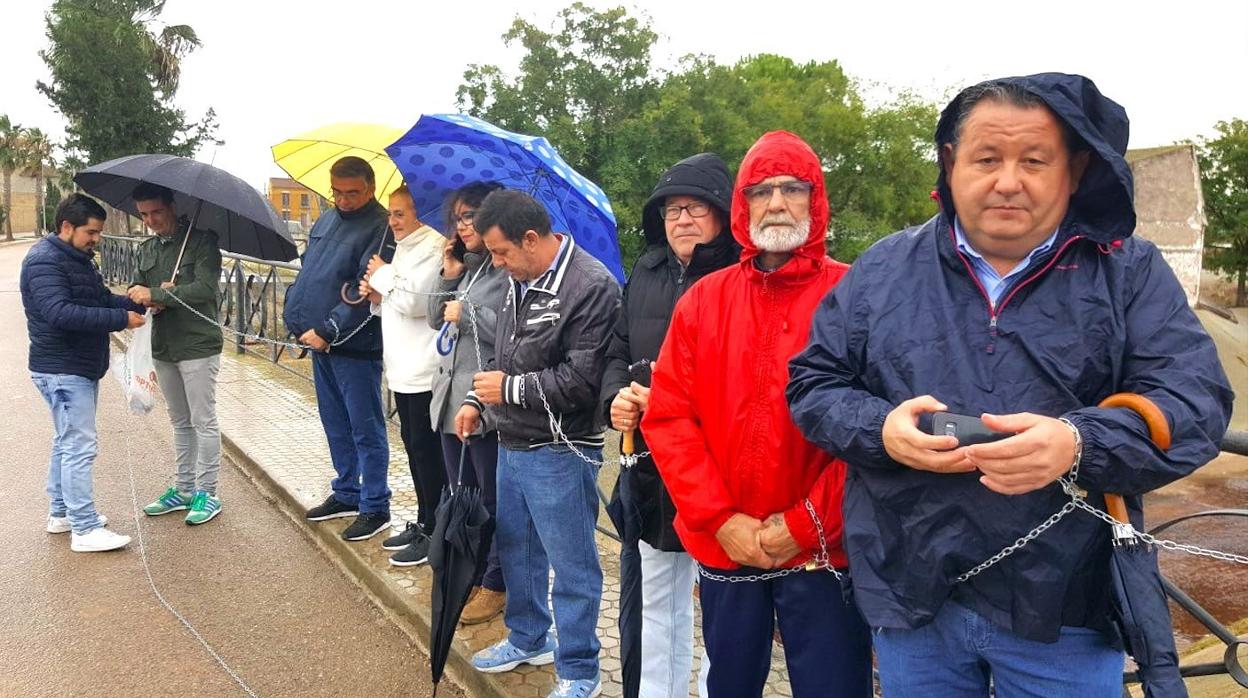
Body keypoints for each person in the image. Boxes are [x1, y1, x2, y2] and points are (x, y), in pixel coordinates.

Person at [786, 74, 1234, 697]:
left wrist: (1079, 443)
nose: (1007, 181)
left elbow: (1195, 402)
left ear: (1074, 170)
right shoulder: (884, 268)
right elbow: (813, 384)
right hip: (912, 592)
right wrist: (880, 430)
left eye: (1034, 160)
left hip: (1066, 605)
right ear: (951, 163)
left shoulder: (1128, 271)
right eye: (987, 159)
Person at [641, 132, 872, 698]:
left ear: (815, 200)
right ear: (741, 207)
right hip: (729, 543)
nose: (776, 203)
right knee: (731, 684)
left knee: (834, 687)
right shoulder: (704, 300)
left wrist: (803, 527)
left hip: (822, 551)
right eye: (760, 191)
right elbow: (669, 418)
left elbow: (874, 430)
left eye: (792, 189)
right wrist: (720, 519)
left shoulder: (856, 296)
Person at [459, 190, 620, 698]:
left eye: (503, 252)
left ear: (531, 239)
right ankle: (529, 637)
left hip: (561, 448)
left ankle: (580, 670)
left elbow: (584, 379)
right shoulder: (519, 278)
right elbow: (503, 354)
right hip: (511, 439)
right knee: (519, 550)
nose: (498, 264)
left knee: (572, 565)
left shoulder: (592, 285)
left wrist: (505, 390)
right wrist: (476, 401)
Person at [601, 153, 738, 698]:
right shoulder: (647, 272)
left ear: (723, 214)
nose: (681, 219)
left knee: (723, 598)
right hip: (651, 464)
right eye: (671, 209)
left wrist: (675, 399)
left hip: (719, 466)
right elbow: (616, 348)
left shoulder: (739, 276)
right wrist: (617, 398)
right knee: (657, 593)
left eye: (695, 208)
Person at [21, 193, 145, 552]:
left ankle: (62, 513)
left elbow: (98, 299)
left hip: (76, 366)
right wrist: (122, 320)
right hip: (62, 368)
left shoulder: (78, 259)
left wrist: (134, 303)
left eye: (99, 233)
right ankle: (85, 528)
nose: (96, 240)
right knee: (79, 445)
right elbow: (61, 313)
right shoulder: (44, 262)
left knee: (66, 442)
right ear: (66, 227)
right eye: (91, 232)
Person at [283, 156, 393, 542]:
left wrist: (330, 328)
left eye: (352, 193)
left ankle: (375, 504)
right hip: (317, 341)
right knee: (334, 422)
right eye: (337, 192)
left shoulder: (381, 227)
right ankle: (347, 491)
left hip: (355, 344)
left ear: (370, 188)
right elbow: (311, 270)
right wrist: (294, 314)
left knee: (366, 428)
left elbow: (366, 288)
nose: (343, 200)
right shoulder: (327, 219)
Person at [426, 181, 510, 625]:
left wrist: (473, 313)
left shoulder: (505, 265)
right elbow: (431, 318)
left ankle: (497, 583)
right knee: (463, 494)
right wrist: (449, 273)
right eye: (458, 217)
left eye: (471, 215)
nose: (464, 225)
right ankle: (471, 573)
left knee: (491, 499)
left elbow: (516, 332)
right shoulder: (470, 265)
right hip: (449, 400)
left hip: (484, 403)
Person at [356, 183, 446, 565]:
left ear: (419, 214)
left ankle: (436, 529)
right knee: (412, 450)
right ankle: (425, 519)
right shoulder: (405, 248)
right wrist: (379, 295)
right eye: (391, 213)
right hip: (402, 366)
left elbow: (416, 302)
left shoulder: (433, 246)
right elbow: (393, 304)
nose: (391, 221)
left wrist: (382, 276)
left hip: (424, 370)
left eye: (399, 214)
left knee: (429, 456)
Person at [125, 182, 225, 525]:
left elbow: (206, 288)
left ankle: (208, 492)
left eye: (157, 211)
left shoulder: (202, 242)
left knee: (203, 420)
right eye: (144, 214)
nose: (151, 219)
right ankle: (183, 489)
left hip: (197, 343)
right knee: (180, 421)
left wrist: (164, 294)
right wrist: (145, 295)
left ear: (172, 206)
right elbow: (136, 285)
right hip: (163, 344)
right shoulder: (147, 248)